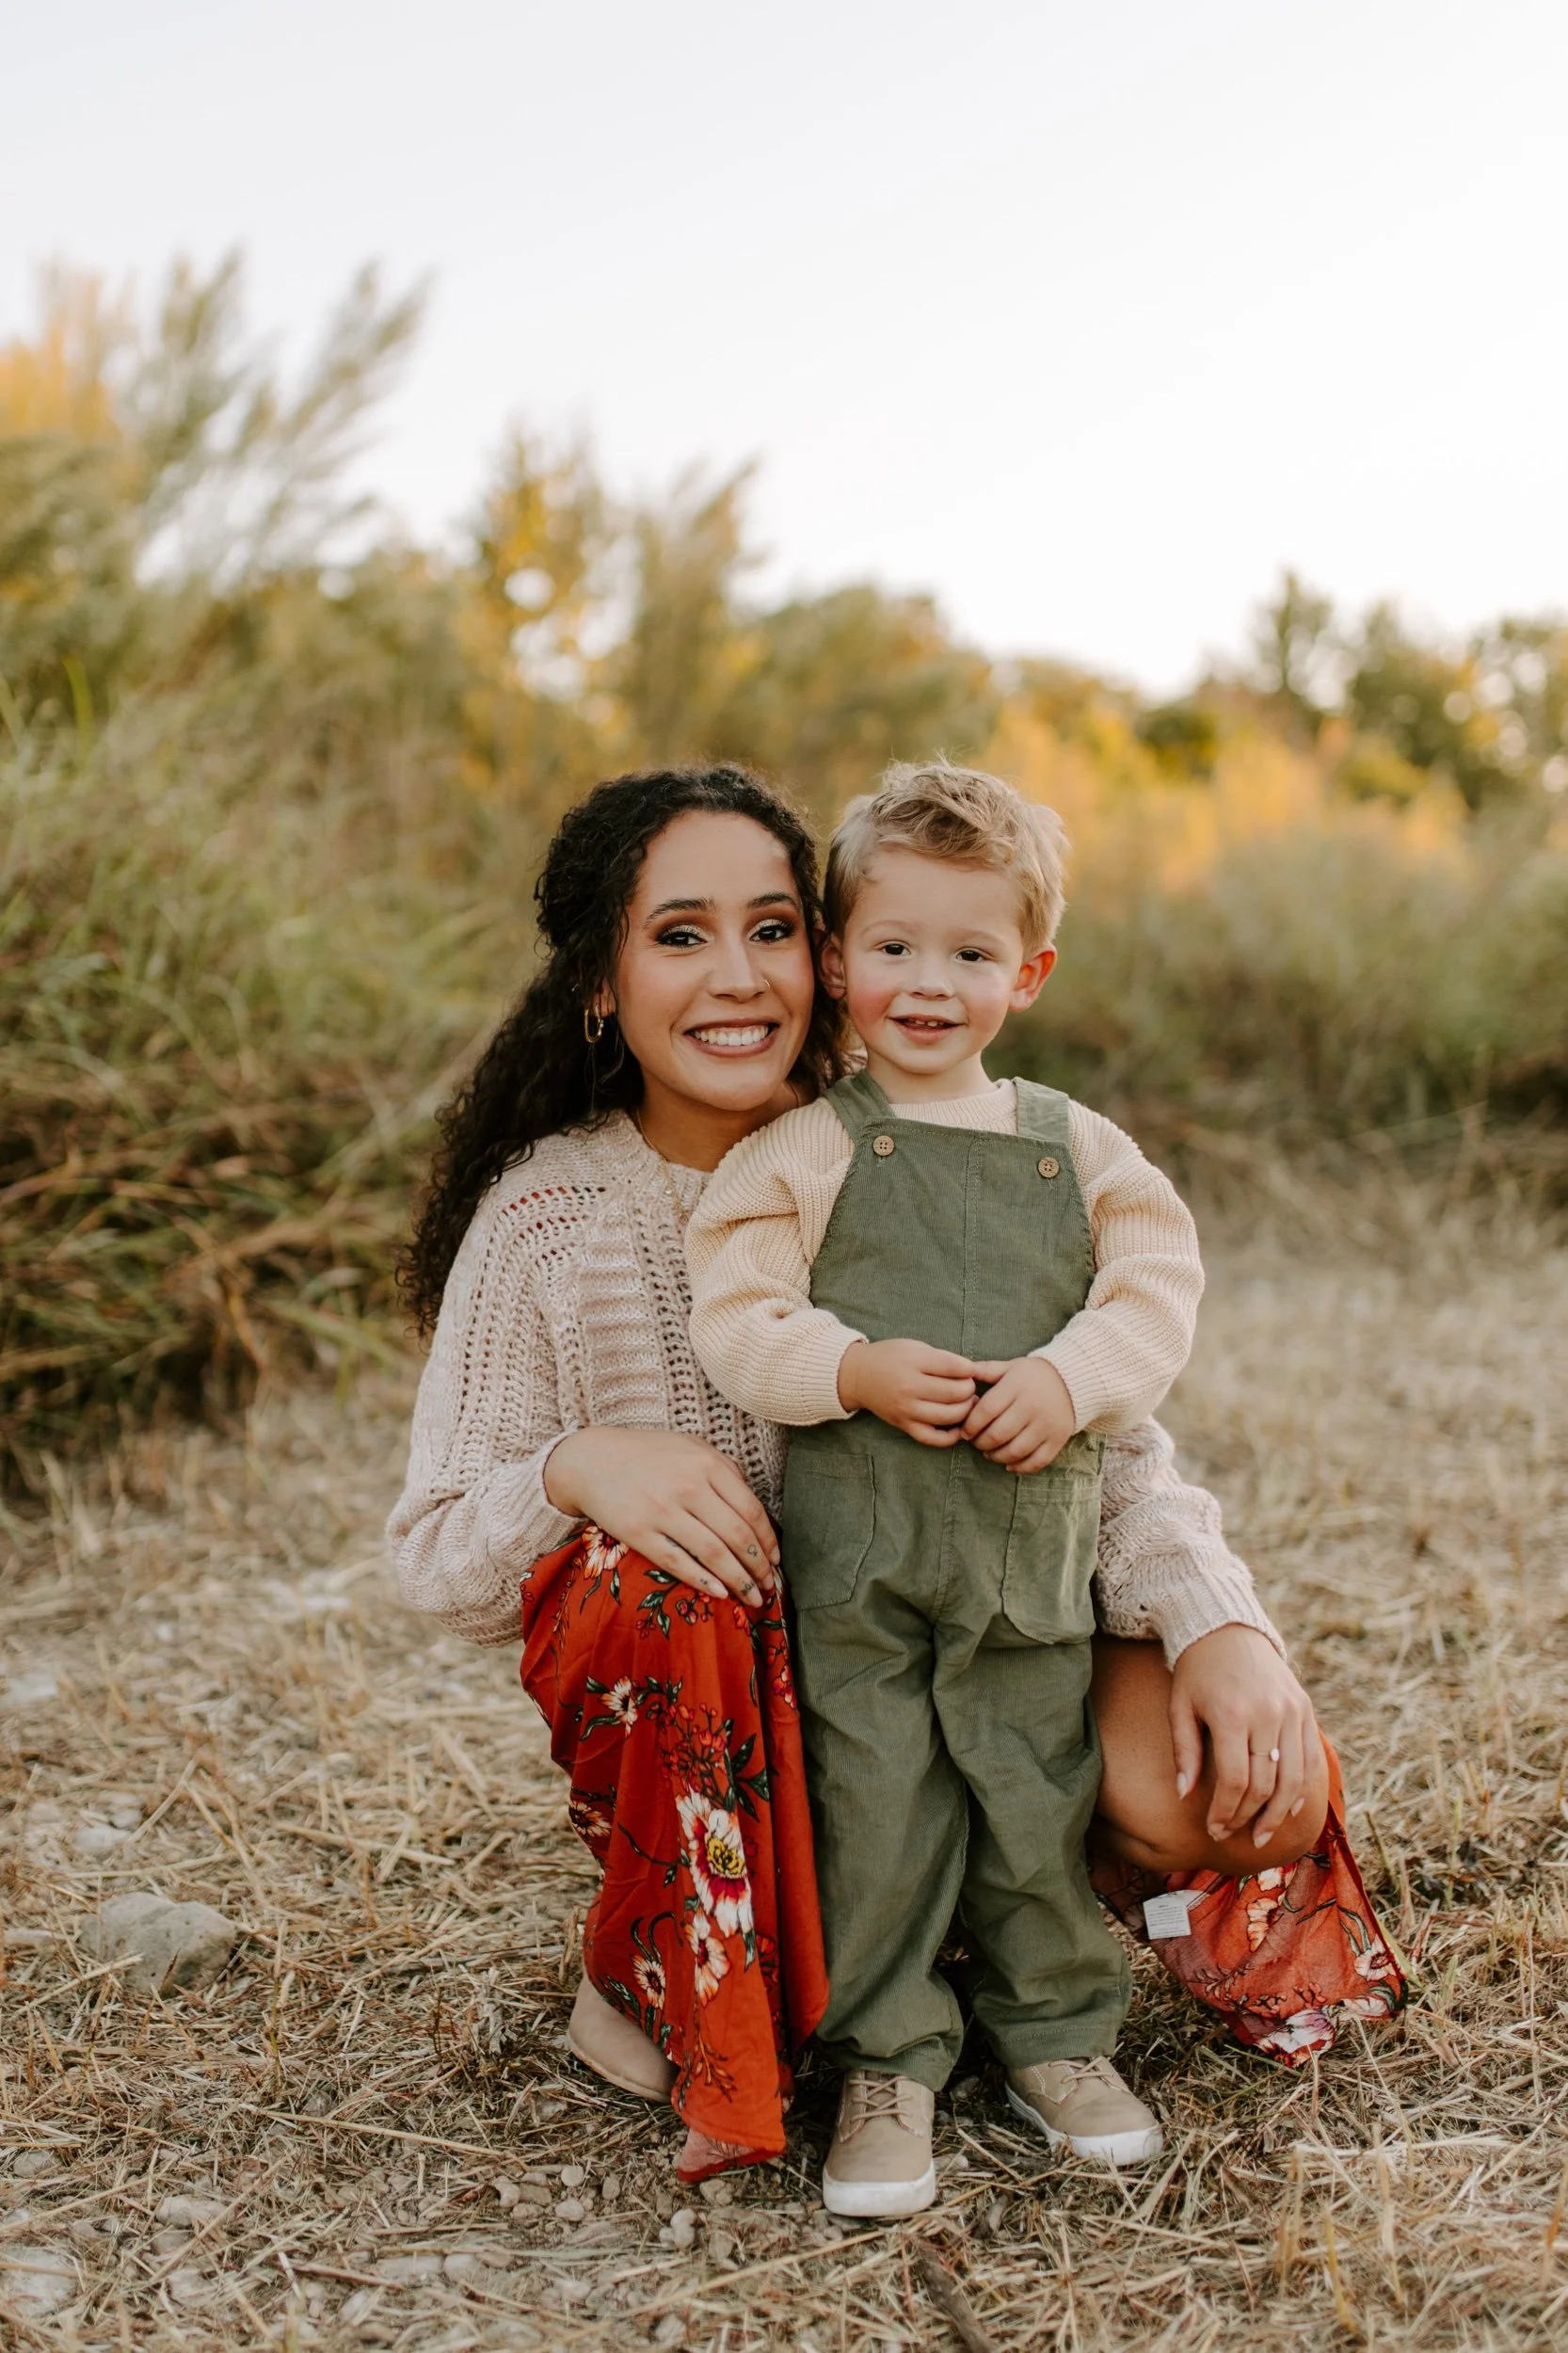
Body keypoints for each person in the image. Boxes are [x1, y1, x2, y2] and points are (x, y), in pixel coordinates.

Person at [389, 762, 1391, 2188]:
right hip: (757, 1704)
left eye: (770, 929)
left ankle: (992, 1952)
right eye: (678, 935)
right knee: (664, 1588)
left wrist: (1217, 1621)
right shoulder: (551, 1218)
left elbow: (1096, 1441)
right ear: (601, 983)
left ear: (825, 950)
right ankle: (713, 1965)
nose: (737, 976)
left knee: (1233, 1790)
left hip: (967, 1629)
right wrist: (578, 1464)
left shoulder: (939, 1138)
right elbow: (433, 1553)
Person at [687, 760, 1203, 2210]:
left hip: (1026, 1561)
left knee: (1034, 1798)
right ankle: (887, 2061)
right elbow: (734, 1312)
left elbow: (1157, 1290)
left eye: (970, 954)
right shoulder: (801, 1152)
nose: (928, 984)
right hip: (862, 1572)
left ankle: (1056, 2036)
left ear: (1026, 973)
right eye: (895, 947)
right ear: (835, 957)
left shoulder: (1073, 1147)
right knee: (877, 1808)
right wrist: (847, 1368)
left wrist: (1071, 1377)